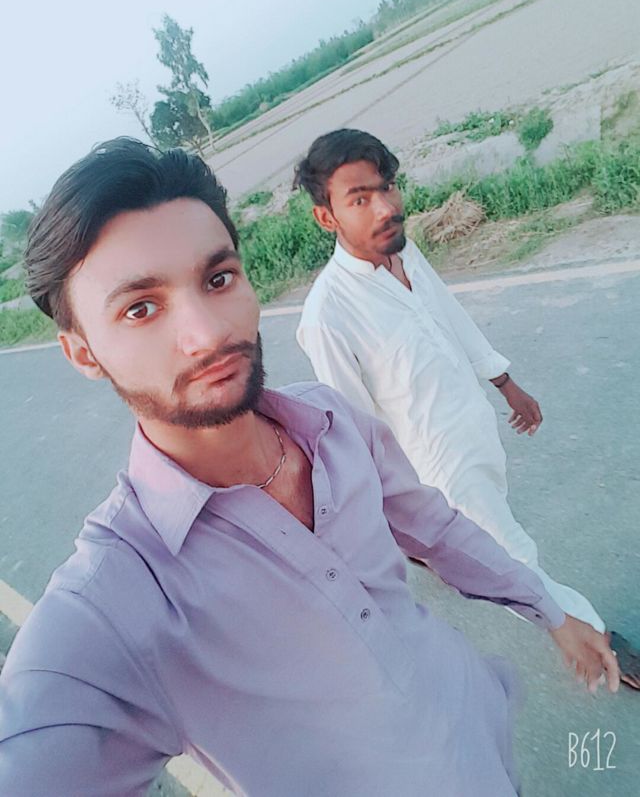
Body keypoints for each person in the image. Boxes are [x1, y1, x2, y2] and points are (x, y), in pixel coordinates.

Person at [0, 139, 619, 797]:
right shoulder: (116, 603)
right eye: (141, 309)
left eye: (218, 279)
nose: (208, 333)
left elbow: (437, 528)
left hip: (483, 743)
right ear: (82, 352)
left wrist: (549, 608)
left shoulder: (332, 424)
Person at [294, 127, 639, 689]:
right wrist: (399, 514)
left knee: (500, 538)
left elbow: (451, 317)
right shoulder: (328, 315)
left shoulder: (404, 251)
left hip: (476, 427)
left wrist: (505, 382)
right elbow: (355, 433)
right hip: (438, 473)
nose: (385, 207)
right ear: (326, 217)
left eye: (388, 187)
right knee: (513, 557)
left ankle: (443, 557)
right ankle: (594, 638)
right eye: (359, 198)